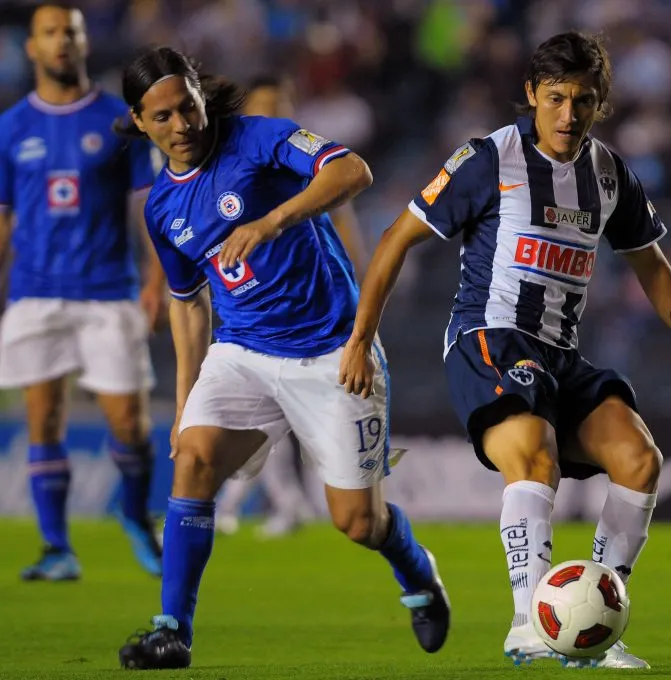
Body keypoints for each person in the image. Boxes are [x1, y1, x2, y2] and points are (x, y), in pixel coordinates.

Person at [340, 31, 671, 669]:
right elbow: (394, 240)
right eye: (555, 98)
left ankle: (594, 621)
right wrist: (360, 339)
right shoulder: (487, 159)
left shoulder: (609, 172)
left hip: (560, 353)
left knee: (639, 460)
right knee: (535, 454)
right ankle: (530, 619)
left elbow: (654, 268)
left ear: (600, 102)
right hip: (489, 338)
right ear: (531, 95)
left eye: (583, 100)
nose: (568, 114)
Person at [113, 47, 450, 670]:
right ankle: (172, 631)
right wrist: (186, 398)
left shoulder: (259, 138)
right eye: (162, 117)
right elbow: (188, 305)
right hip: (241, 350)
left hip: (332, 350)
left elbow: (354, 172)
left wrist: (270, 222)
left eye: (187, 107)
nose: (182, 126)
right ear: (139, 121)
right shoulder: (162, 207)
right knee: (192, 457)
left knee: (357, 523)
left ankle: (419, 573)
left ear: (199, 94)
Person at [0, 2, 165, 581]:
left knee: (131, 426)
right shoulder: (11, 127)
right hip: (35, 293)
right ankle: (56, 548)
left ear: (84, 40)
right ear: (33, 47)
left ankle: (137, 515)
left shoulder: (121, 121)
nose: (62, 42)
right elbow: (2, 218)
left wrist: (155, 281)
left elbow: (149, 208)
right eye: (50, 33)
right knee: (42, 421)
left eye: (70, 31)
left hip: (107, 292)